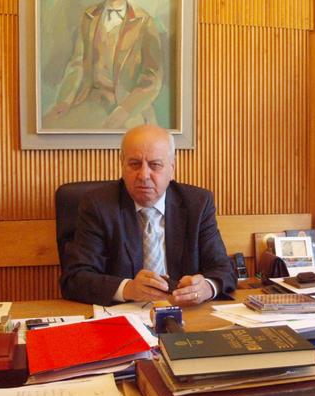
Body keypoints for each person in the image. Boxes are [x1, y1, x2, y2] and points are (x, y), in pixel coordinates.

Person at [60, 125, 236, 306]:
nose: (144, 175)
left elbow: (223, 269)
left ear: (172, 168)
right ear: (122, 164)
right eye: (134, 164)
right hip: (124, 313)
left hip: (185, 312)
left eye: (155, 165)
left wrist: (207, 287)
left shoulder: (197, 204)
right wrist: (128, 289)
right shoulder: (98, 205)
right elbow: (75, 279)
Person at [45, 0, 163, 131]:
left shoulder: (144, 21)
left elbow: (153, 76)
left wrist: (126, 109)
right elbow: (77, 63)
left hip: (128, 104)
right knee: (50, 125)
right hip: (91, 99)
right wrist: (65, 100)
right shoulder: (89, 16)